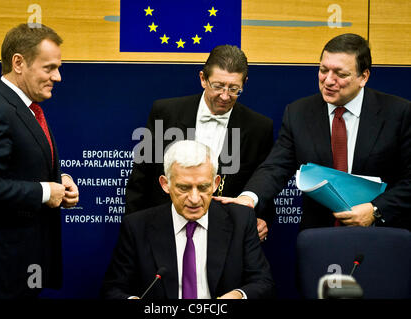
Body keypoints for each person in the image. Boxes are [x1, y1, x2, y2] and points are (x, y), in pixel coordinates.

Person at [216, 33, 411, 230]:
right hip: (320, 238)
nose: (328, 81)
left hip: (382, 237)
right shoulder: (298, 113)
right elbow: (276, 167)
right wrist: (249, 198)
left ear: (364, 77)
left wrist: (376, 209)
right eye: (323, 70)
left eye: (340, 74)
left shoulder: (398, 113)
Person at [0, 23, 79, 298]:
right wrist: (44, 191)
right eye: (49, 68)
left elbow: (17, 168)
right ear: (18, 63)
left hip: (21, 268)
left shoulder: (25, 108)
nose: (58, 77)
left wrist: (58, 183)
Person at [126, 45, 274, 240]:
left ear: (244, 83)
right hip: (164, 233)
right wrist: (134, 235)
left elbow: (263, 182)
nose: (225, 96)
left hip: (226, 238)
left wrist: (262, 218)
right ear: (203, 79)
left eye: (234, 89)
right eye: (218, 86)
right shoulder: (165, 112)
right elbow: (140, 179)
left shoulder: (259, 127)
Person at [101, 140, 274, 299]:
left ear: (215, 183)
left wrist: (238, 295)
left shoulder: (241, 220)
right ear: (165, 184)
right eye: (184, 188)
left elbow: (263, 283)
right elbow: (112, 289)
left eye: (203, 187)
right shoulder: (137, 226)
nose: (194, 198)